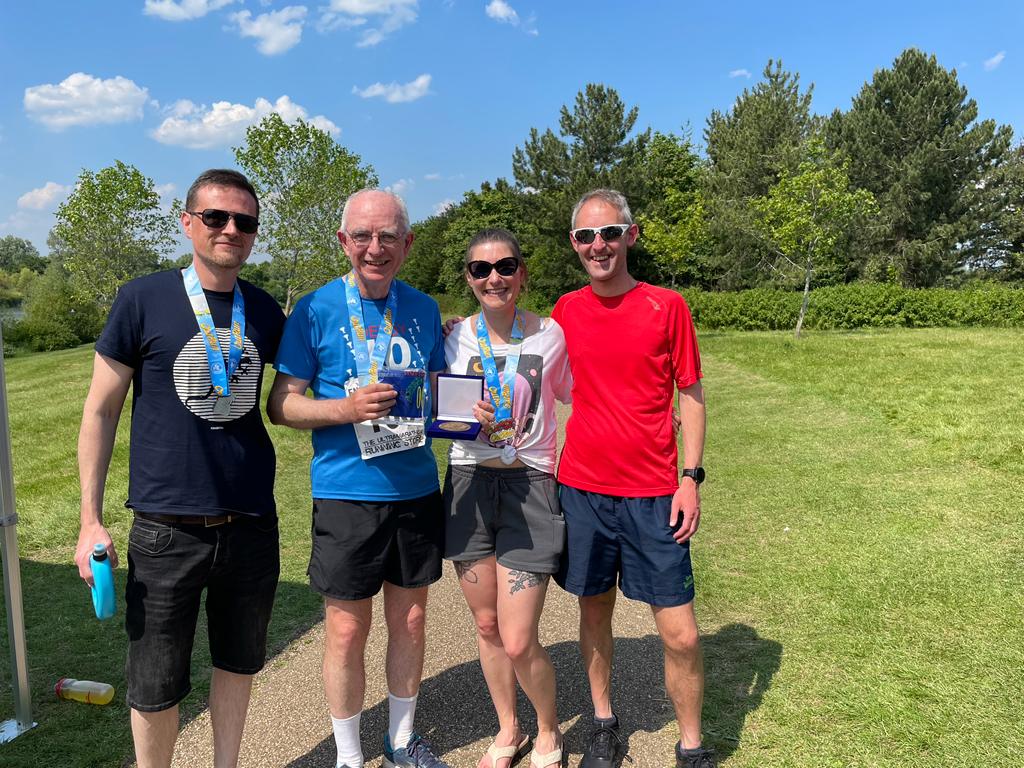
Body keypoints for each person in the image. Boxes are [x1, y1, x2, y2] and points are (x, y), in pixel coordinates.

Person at [75, 169, 285, 768]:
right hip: (167, 527)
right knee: (154, 681)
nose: (230, 230)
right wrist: (90, 521)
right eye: (216, 217)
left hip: (248, 522)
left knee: (238, 662)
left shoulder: (265, 311)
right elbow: (100, 410)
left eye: (244, 222)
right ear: (188, 221)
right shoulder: (143, 299)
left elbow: (311, 376)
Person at [268, 189, 450, 768]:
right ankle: (349, 756)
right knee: (347, 630)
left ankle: (401, 740)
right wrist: (346, 410)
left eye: (389, 236)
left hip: (416, 489)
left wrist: (476, 415)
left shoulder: (421, 308)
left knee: (412, 620)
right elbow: (282, 405)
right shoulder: (315, 311)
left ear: (407, 243)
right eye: (363, 236)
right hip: (347, 494)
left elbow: (439, 398)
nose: (376, 248)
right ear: (344, 241)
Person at [554, 189, 716, 768]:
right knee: (594, 612)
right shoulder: (565, 311)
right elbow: (518, 359)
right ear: (574, 244)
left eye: (609, 233)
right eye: (585, 236)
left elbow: (691, 395)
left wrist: (690, 477)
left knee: (682, 633)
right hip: (584, 490)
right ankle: (603, 723)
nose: (598, 245)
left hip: (654, 494)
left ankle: (691, 745)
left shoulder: (666, 306)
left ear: (631, 235)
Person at [443, 229, 571, 768]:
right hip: (469, 483)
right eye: (480, 269)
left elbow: (578, 392)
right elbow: (441, 413)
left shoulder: (551, 336)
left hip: (530, 484)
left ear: (521, 272)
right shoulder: (451, 338)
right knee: (488, 626)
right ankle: (508, 728)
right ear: (469, 279)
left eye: (504, 266)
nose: (493, 277)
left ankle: (547, 730)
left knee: (519, 638)